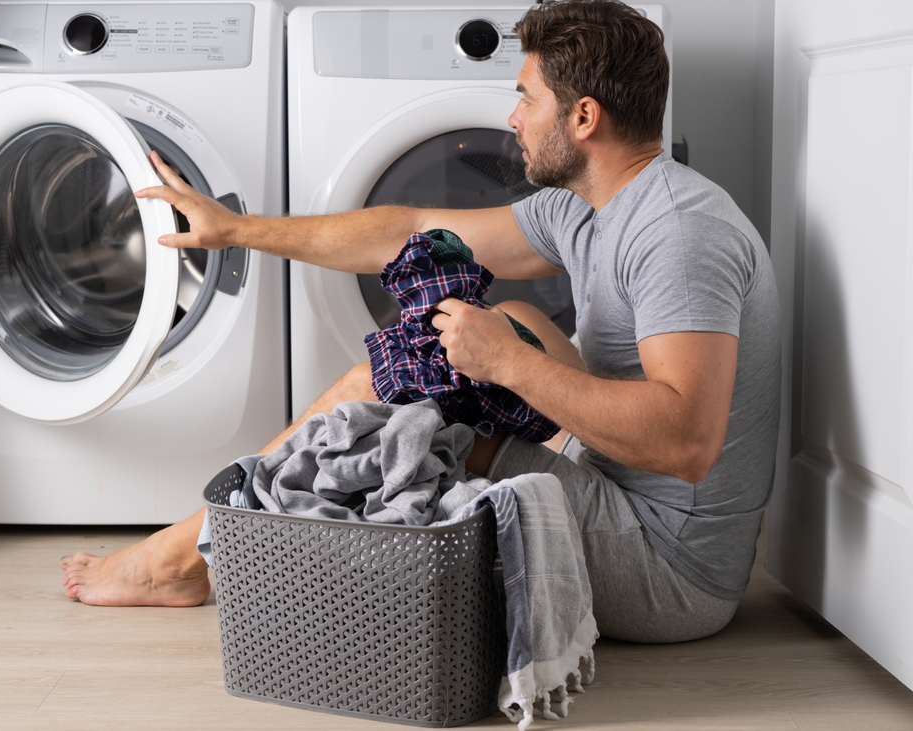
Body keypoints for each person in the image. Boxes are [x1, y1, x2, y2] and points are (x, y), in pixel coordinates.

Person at [62, 0, 780, 643]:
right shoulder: (589, 206)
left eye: (526, 98)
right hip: (622, 492)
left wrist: (508, 363)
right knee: (511, 317)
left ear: (584, 117)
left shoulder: (678, 232)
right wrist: (237, 231)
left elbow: (687, 442)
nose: (513, 118)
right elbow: (406, 229)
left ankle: (180, 558)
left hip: (668, 573)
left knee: (389, 391)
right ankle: (224, 542)